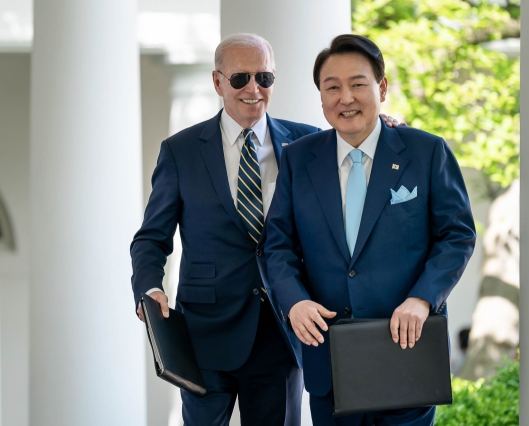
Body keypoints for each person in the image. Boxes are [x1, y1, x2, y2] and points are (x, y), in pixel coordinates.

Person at [130, 33, 402, 426]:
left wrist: (388, 126)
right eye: (240, 78)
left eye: (265, 78)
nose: (253, 89)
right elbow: (151, 238)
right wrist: (149, 287)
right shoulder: (181, 151)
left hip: (282, 330)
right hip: (206, 331)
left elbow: (360, 147)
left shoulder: (309, 141)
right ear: (218, 82)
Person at [265, 34, 476, 426]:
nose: (345, 98)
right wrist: (293, 300)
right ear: (322, 97)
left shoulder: (426, 151)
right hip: (329, 361)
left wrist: (422, 299)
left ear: (381, 88)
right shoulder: (298, 159)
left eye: (357, 84)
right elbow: (277, 245)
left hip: (407, 354)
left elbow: (457, 235)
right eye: (332, 87)